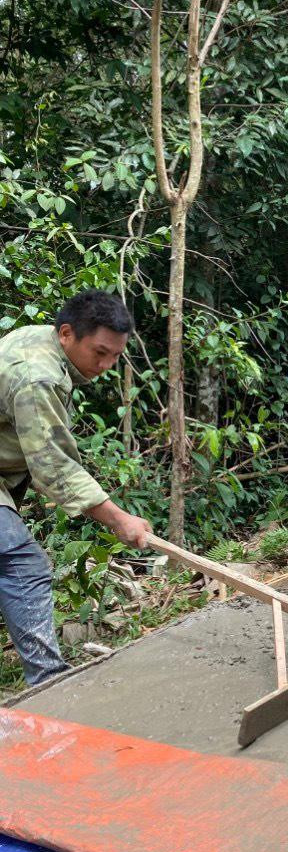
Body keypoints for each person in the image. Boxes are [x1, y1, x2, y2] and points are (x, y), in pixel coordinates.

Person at [0, 291, 152, 686]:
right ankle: (49, 683)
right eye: (100, 352)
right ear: (67, 333)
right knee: (22, 563)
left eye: (116, 357)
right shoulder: (37, 375)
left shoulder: (41, 339)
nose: (105, 365)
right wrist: (119, 520)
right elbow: (54, 466)